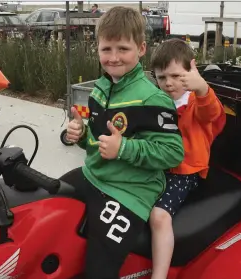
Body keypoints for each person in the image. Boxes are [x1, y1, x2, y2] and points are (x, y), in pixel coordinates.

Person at [60, 7, 184, 279]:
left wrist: (124, 149)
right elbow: (98, 143)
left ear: (141, 49)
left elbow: (173, 153)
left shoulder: (153, 98)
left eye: (123, 49)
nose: (114, 58)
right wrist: (81, 136)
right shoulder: (99, 90)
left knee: (98, 270)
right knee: (48, 205)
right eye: (107, 49)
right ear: (98, 49)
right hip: (93, 176)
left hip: (130, 192)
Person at [148, 38, 226, 279]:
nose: (169, 84)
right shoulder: (157, 101)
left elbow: (212, 112)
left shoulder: (196, 103)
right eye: (162, 78)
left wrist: (201, 87)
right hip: (158, 167)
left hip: (185, 172)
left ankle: (159, 275)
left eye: (176, 76)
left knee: (159, 216)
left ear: (191, 71)